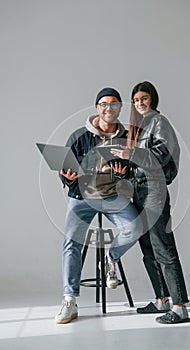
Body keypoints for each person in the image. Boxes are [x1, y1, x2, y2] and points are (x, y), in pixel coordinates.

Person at [55, 87, 142, 324]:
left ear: (120, 108)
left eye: (114, 104)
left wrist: (124, 173)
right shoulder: (79, 136)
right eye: (104, 104)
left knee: (135, 227)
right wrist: (67, 177)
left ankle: (110, 259)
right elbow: (64, 169)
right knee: (71, 242)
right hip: (82, 196)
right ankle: (69, 300)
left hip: (113, 195)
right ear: (97, 108)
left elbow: (136, 171)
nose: (109, 108)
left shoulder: (129, 138)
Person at [111, 81, 190, 324]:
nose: (140, 103)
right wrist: (123, 170)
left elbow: (161, 154)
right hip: (140, 189)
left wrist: (131, 154)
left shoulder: (159, 122)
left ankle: (180, 307)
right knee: (147, 248)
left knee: (162, 247)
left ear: (153, 99)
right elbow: (138, 165)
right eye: (136, 100)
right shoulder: (139, 127)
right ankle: (162, 300)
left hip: (155, 190)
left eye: (144, 98)